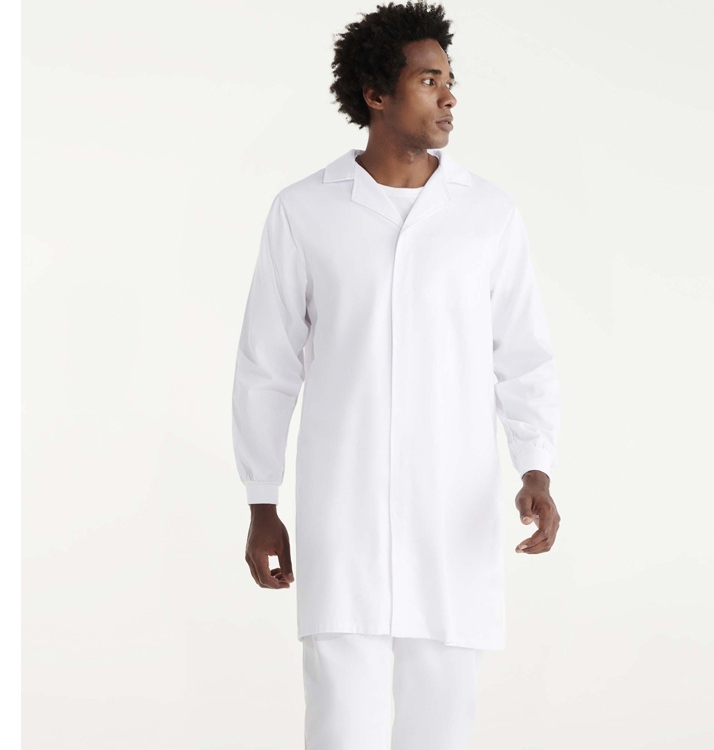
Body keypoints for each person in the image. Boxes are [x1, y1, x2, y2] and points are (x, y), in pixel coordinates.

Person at [231, 2, 561, 748]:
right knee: (340, 720)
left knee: (442, 723)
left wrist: (536, 466)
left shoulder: (487, 215)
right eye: (428, 80)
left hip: (452, 510)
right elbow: (266, 364)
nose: (450, 96)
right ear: (376, 93)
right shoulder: (305, 211)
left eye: (450, 79)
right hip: (342, 510)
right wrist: (261, 499)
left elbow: (523, 355)